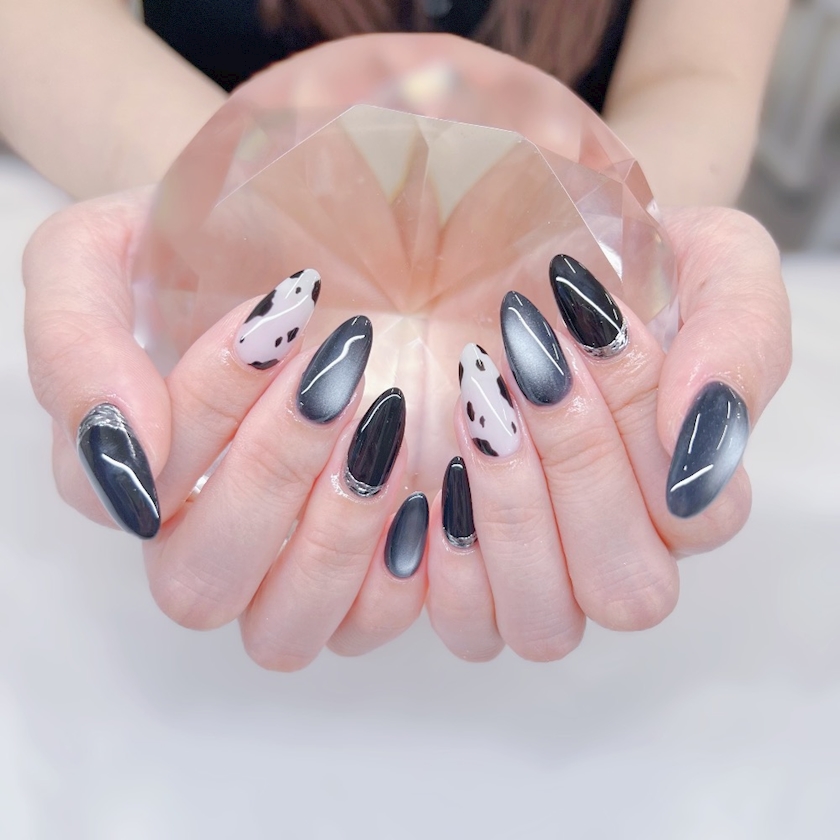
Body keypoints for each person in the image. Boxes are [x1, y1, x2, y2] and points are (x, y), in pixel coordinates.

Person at [3, 1, 792, 666]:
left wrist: (623, 247)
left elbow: (694, 75)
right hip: (184, 386)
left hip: (548, 429)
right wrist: (217, 219)